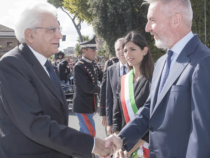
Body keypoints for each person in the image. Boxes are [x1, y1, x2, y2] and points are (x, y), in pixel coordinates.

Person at [0, 3, 116, 158]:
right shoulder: (12, 65)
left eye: (59, 28)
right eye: (52, 30)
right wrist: (93, 145)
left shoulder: (47, 66)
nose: (60, 35)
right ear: (30, 35)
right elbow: (35, 124)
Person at [104, 0, 210, 158]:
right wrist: (121, 138)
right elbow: (149, 110)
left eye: (152, 20)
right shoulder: (161, 64)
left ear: (176, 20)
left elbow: (203, 134)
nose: (147, 28)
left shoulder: (203, 61)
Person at [112, 31, 153, 158]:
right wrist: (118, 145)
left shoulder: (154, 80)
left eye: (132, 49)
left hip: (146, 147)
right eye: (125, 50)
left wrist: (128, 149)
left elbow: (152, 121)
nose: (127, 54)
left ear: (144, 51)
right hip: (123, 148)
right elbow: (117, 115)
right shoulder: (123, 80)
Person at [73, 36, 103, 157]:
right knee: (90, 132)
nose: (95, 52)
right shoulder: (79, 66)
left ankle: (79, 153)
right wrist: (101, 89)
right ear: (84, 51)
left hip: (89, 105)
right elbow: (87, 88)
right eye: (93, 50)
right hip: (83, 106)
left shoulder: (92, 64)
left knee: (83, 133)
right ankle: (90, 155)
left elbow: (102, 76)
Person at [100, 38, 129, 136]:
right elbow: (109, 97)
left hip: (132, 115)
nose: (121, 51)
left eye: (123, 48)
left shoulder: (137, 67)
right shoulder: (111, 70)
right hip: (116, 119)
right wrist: (109, 122)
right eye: (118, 49)